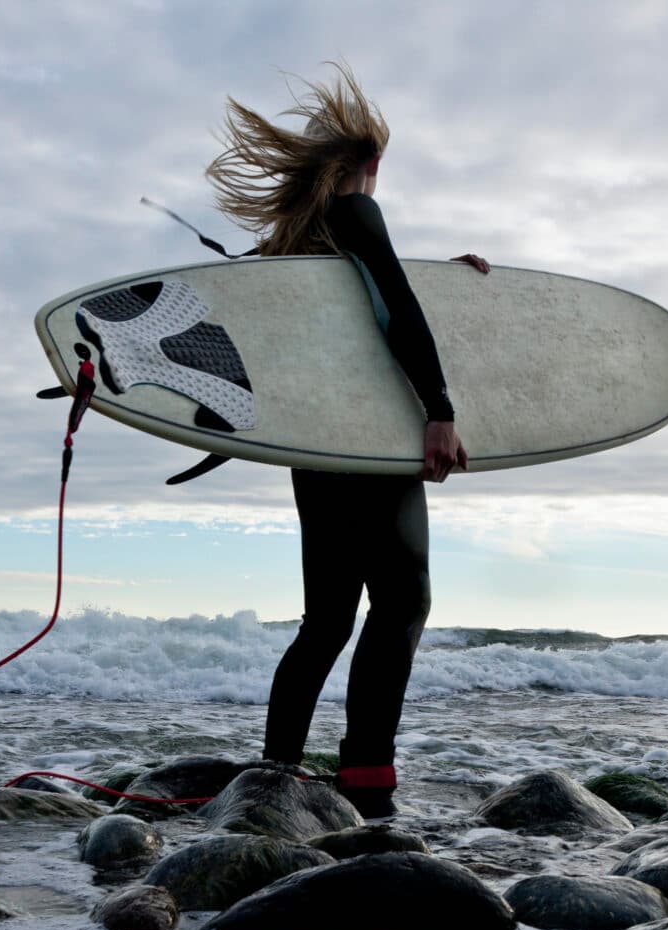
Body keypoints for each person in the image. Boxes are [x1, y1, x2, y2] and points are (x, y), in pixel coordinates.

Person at [206, 65, 488, 817]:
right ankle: (367, 778)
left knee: (327, 619)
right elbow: (395, 310)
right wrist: (439, 408)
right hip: (367, 441)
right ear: (371, 166)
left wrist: (450, 284)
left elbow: (347, 319)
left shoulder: (291, 248)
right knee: (401, 603)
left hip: (314, 449)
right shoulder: (358, 216)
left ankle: (271, 779)